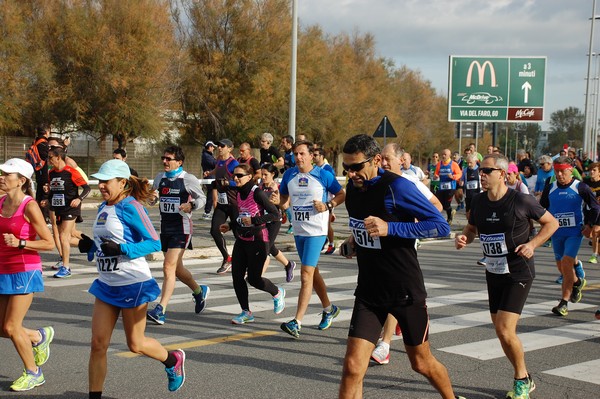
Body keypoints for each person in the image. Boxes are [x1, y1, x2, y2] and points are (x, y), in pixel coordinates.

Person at [338, 134, 464, 399]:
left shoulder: (397, 187)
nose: (351, 174)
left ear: (377, 161)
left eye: (357, 167)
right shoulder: (353, 189)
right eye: (346, 168)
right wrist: (352, 242)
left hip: (404, 290)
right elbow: (363, 226)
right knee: (352, 367)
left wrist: (390, 228)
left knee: (421, 363)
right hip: (370, 291)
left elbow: (440, 225)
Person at [455, 153, 558, 399]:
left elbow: (551, 223)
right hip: (494, 270)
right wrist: (464, 238)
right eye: (480, 170)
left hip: (519, 270)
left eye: (486, 171)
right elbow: (472, 227)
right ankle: (523, 375)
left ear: (502, 174)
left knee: (504, 328)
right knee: (501, 331)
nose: (481, 175)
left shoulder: (521, 201)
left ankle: (522, 379)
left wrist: (532, 244)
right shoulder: (478, 201)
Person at [81, 159, 186, 398]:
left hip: (133, 283)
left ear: (122, 182)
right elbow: (104, 245)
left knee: (135, 344)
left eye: (106, 181)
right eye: (100, 181)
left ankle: (172, 360)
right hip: (107, 284)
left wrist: (122, 249)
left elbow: (154, 243)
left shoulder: (131, 206)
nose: (102, 186)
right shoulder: (103, 207)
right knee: (98, 344)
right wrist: (88, 247)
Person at [370, 142, 443, 366]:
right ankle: (397, 325)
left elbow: (437, 207)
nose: (382, 163)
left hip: (401, 249)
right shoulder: (375, 182)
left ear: (401, 161)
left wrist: (408, 225)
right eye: (380, 158)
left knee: (397, 292)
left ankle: (385, 344)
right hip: (377, 253)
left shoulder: (409, 183)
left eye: (387, 159)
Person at [275, 140, 345, 339]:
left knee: (306, 274)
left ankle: (297, 322)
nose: (298, 158)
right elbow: (283, 199)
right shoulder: (289, 175)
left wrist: (328, 205)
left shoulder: (323, 175)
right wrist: (278, 204)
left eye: (302, 154)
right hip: (299, 230)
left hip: (317, 231)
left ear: (311, 155)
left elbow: (341, 194)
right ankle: (329, 308)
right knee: (313, 273)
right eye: (296, 154)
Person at [0, 158, 55, 392]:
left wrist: (21, 242)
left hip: (25, 270)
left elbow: (49, 243)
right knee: (2, 328)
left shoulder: (29, 205)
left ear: (21, 181)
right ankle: (37, 337)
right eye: (1, 173)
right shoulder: (1, 201)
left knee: (12, 327)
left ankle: (34, 373)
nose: (1, 177)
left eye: (6, 174)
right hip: (3, 269)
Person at [146, 146, 209, 325]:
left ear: (179, 162)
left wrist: (192, 205)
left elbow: (202, 199)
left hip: (182, 228)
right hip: (166, 227)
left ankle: (161, 309)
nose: (165, 161)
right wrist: (153, 198)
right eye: (163, 158)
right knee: (177, 269)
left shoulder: (187, 179)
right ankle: (199, 291)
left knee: (168, 267)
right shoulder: (160, 178)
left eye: (169, 158)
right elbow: (155, 196)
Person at [219, 164, 286, 324]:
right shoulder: (238, 193)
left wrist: (254, 220)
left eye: (239, 175)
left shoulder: (257, 192)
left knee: (254, 279)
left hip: (258, 240)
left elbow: (275, 215)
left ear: (249, 177)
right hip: (242, 240)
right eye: (234, 175)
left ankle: (277, 292)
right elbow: (242, 215)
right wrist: (230, 225)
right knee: (237, 277)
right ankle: (246, 312)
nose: (235, 178)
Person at [539, 156, 600, 317]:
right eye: (556, 171)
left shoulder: (581, 187)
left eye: (562, 171)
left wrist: (589, 226)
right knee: (562, 267)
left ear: (570, 170)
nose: (559, 175)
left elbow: (595, 207)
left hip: (575, 232)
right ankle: (578, 282)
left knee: (566, 263)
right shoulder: (550, 187)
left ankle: (564, 303)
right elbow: (542, 207)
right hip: (556, 233)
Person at [44, 146, 91, 278]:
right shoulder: (51, 173)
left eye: (50, 158)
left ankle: (66, 267)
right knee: (66, 236)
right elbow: (53, 191)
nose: (48, 160)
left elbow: (86, 188)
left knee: (64, 237)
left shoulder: (71, 172)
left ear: (58, 157)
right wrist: (47, 200)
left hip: (71, 207)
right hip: (58, 207)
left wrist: (79, 198)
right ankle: (91, 245)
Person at [258, 163, 296, 282]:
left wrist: (275, 202)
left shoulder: (277, 187)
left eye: (266, 175)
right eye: (262, 174)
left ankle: (257, 276)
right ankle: (288, 264)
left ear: (273, 174)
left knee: (265, 248)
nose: (263, 177)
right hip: (263, 220)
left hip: (274, 220)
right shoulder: (259, 186)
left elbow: (284, 205)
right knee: (271, 247)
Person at [210, 139, 239, 274]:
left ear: (230, 148)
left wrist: (229, 183)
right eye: (218, 145)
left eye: (222, 146)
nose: (219, 148)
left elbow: (241, 181)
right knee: (215, 230)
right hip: (222, 204)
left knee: (239, 235)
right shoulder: (219, 160)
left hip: (234, 204)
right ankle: (227, 258)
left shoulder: (234, 163)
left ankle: (243, 262)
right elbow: (217, 175)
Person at [313, 147, 337, 254]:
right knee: (317, 223)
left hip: (327, 201)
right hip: (317, 202)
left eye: (316, 155)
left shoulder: (327, 169)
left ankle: (331, 244)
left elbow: (332, 185)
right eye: (312, 155)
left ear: (322, 156)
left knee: (326, 224)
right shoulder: (313, 168)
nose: (313, 157)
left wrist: (332, 205)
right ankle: (323, 240)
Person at [434, 149, 462, 225]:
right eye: (442, 154)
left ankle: (449, 218)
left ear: (449, 155)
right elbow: (436, 173)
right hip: (441, 187)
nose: (443, 156)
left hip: (451, 188)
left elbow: (459, 174)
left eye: (445, 154)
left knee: (446, 203)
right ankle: (449, 215)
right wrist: (436, 176)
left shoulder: (453, 164)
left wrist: (453, 176)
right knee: (439, 203)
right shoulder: (439, 164)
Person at [30, 126, 51, 225]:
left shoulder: (36, 141)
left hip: (38, 171)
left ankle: (39, 216)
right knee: (45, 195)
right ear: (46, 131)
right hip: (43, 172)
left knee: (39, 194)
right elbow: (44, 157)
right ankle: (44, 217)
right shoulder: (43, 142)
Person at [583, 162, 600, 263]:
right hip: (588, 210)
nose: (591, 172)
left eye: (594, 170)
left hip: (599, 210)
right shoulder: (585, 182)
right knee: (588, 234)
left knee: (595, 232)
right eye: (590, 170)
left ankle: (594, 255)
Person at [201, 141, 217, 219]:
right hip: (210, 177)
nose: (213, 148)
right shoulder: (206, 156)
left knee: (212, 194)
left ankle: (208, 211)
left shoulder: (208, 155)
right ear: (209, 147)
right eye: (212, 146)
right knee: (211, 194)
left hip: (212, 176)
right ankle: (207, 212)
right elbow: (214, 164)